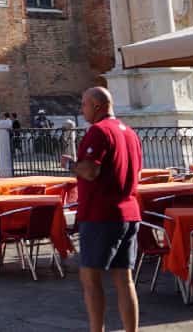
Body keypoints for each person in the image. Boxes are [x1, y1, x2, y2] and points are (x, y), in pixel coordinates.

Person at [62, 87, 141, 332]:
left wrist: (71, 164)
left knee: (91, 279)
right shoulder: (129, 132)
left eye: (84, 104)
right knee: (125, 280)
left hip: (101, 214)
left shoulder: (98, 131)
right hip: (129, 212)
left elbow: (90, 170)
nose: (81, 109)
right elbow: (136, 172)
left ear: (97, 105)